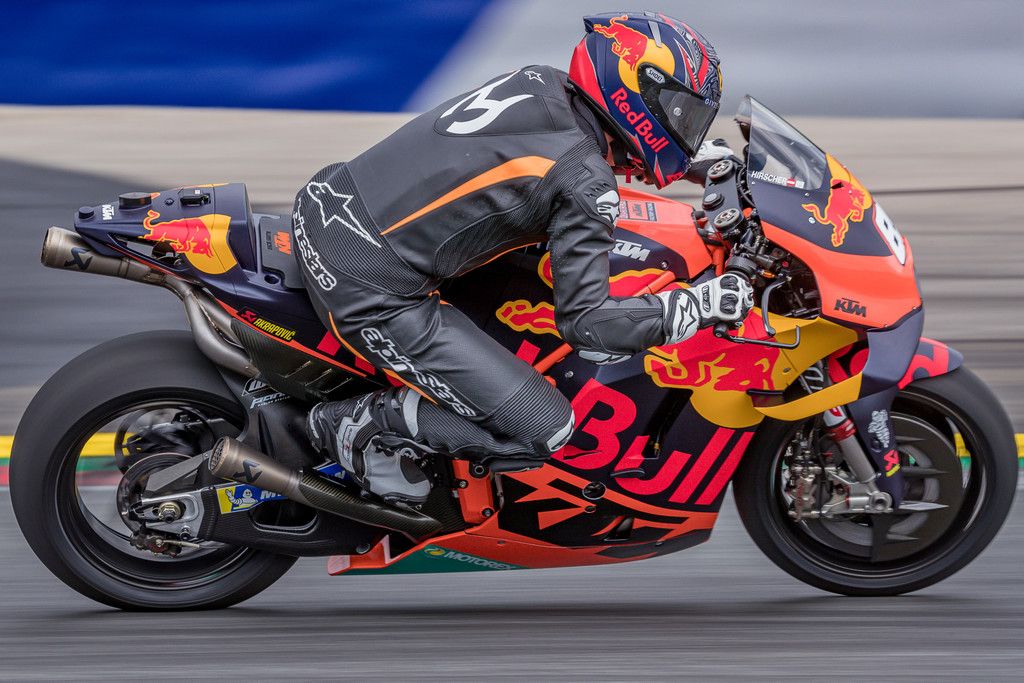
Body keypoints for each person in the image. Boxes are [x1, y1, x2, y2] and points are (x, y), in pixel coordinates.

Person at [295, 12, 753, 506]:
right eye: (681, 115)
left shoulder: (541, 82)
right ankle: (355, 424)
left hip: (327, 201)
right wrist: (699, 305)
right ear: (635, 93)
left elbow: (547, 157)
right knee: (545, 427)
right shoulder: (585, 184)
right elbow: (589, 325)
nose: (685, 129)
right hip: (369, 284)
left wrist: (692, 160)